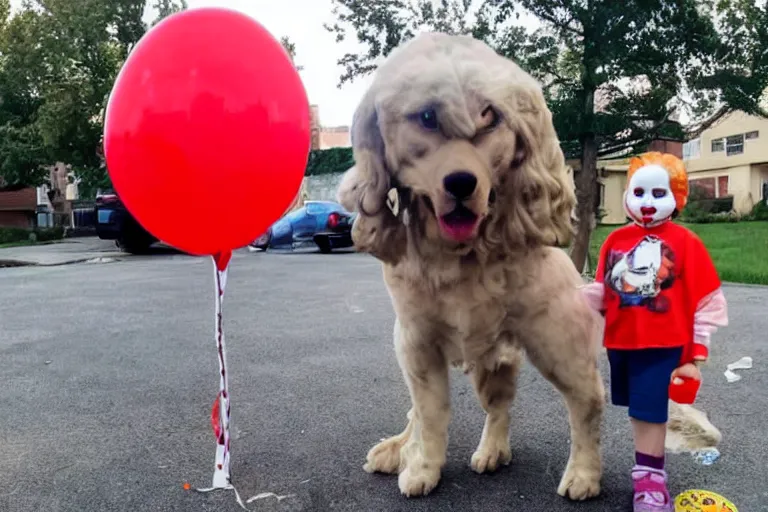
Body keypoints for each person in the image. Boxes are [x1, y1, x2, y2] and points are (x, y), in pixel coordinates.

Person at [581, 152, 729, 512]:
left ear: (677, 198)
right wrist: (577, 300)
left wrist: (695, 354)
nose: (647, 203)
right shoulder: (615, 241)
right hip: (622, 344)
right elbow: (606, 290)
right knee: (640, 410)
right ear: (628, 195)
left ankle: (650, 485)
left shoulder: (685, 242)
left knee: (649, 411)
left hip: (664, 346)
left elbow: (707, 300)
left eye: (658, 194)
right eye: (639, 192)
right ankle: (648, 472)